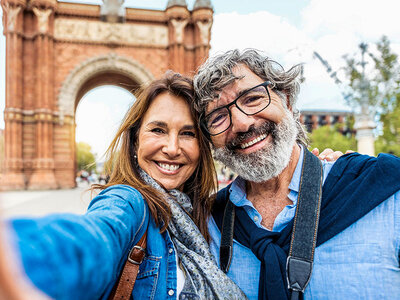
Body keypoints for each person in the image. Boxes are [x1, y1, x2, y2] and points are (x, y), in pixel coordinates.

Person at [7, 72, 246, 300]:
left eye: (187, 133)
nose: (172, 148)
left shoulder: (205, 214)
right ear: (134, 141)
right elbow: (95, 235)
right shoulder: (127, 202)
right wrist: (18, 258)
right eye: (158, 130)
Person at [193, 49, 400, 300]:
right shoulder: (206, 223)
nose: (241, 123)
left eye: (252, 99)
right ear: (209, 140)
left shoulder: (380, 191)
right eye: (218, 117)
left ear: (287, 101)